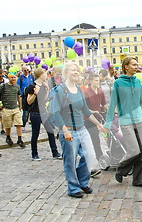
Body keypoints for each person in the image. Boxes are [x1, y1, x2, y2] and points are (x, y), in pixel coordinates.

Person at [49, 62, 103, 198]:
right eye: (73, 70)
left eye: (77, 70)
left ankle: (82, 181)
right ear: (65, 73)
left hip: (82, 128)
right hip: (68, 130)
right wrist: (64, 130)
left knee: (89, 156)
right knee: (70, 161)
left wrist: (97, 123)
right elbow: (55, 112)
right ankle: (73, 188)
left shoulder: (79, 89)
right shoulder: (59, 90)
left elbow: (85, 109)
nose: (76, 72)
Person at [103, 57, 142, 188]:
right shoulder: (118, 83)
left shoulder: (138, 81)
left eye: (137, 64)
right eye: (134, 64)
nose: (137, 67)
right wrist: (108, 123)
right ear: (126, 67)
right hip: (126, 121)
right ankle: (121, 169)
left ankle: (138, 179)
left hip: (140, 120)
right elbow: (112, 105)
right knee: (134, 150)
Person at [25, 68, 62, 161]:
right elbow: (29, 102)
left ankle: (55, 152)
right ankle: (34, 154)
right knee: (35, 134)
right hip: (35, 113)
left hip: (44, 112)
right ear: (40, 75)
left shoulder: (44, 85)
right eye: (45, 74)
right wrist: (35, 93)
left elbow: (45, 99)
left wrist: (47, 89)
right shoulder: (32, 86)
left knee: (50, 132)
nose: (46, 76)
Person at [0, 73, 25, 148]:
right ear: (9, 78)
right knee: (7, 124)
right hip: (6, 108)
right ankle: (8, 137)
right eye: (12, 77)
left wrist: (20, 105)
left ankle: (20, 139)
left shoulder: (17, 87)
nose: (13, 79)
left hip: (15, 108)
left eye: (14, 77)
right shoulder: (4, 86)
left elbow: (19, 96)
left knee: (19, 123)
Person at [83, 73, 107, 162]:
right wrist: (93, 111)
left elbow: (104, 104)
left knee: (99, 137)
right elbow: (84, 107)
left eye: (98, 80)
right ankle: (99, 157)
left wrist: (111, 111)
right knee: (95, 139)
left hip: (98, 117)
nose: (97, 82)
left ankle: (98, 155)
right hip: (88, 119)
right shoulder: (86, 92)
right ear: (91, 81)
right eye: (95, 81)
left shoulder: (100, 91)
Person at [18, 66, 34, 131]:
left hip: (32, 95)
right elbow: (18, 86)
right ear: (22, 71)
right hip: (25, 96)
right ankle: (23, 125)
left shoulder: (31, 77)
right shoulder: (21, 78)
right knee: (25, 112)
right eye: (25, 70)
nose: (27, 71)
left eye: (28, 70)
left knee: (33, 111)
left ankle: (33, 126)